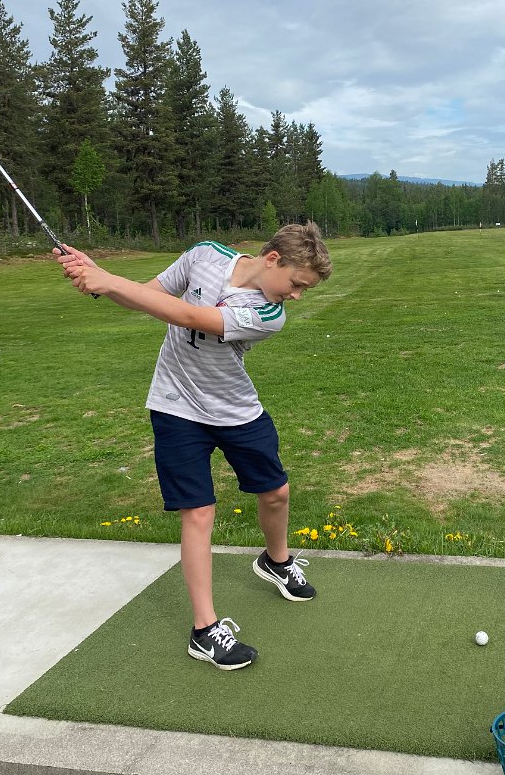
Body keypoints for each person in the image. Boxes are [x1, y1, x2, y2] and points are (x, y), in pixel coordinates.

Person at [54, 223, 332, 672]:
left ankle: (276, 561)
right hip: (175, 406)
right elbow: (147, 296)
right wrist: (99, 279)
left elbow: (187, 316)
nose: (297, 296)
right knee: (198, 512)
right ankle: (205, 630)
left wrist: (107, 279)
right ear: (273, 259)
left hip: (236, 410)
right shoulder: (204, 254)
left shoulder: (269, 314)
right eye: (298, 284)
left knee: (276, 492)